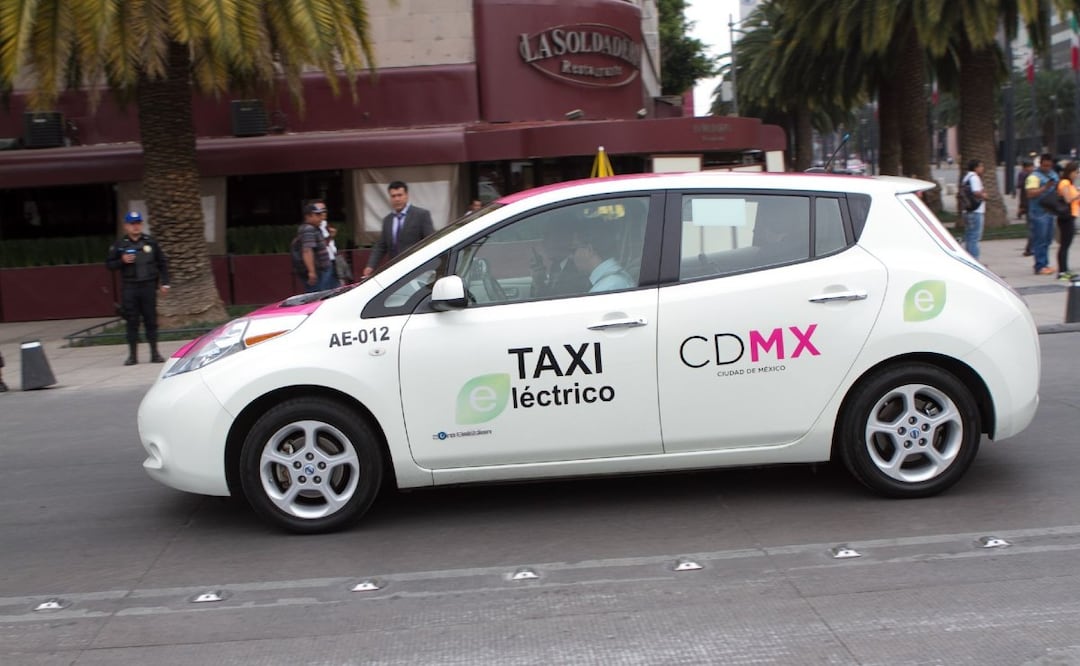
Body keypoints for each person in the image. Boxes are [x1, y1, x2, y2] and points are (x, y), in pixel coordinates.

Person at [105, 211, 170, 365]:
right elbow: (109, 265)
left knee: (151, 320)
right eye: (132, 224)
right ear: (126, 226)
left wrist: (165, 282)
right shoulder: (120, 245)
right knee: (132, 321)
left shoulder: (150, 242)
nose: (136, 226)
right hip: (130, 287)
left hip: (148, 286)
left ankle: (155, 353)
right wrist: (122, 260)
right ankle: (132, 356)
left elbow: (162, 263)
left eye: (138, 223)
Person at [362, 181, 434, 278]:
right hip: (395, 271)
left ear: (406, 195)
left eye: (400, 195)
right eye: (393, 196)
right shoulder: (388, 220)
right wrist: (370, 266)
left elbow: (430, 241)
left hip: (417, 268)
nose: (397, 199)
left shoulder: (421, 215)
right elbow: (381, 246)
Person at [531, 217, 589, 297]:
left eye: (547, 236)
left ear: (564, 238)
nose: (543, 242)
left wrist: (539, 284)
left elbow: (553, 303)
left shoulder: (576, 270)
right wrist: (539, 283)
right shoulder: (557, 265)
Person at [572, 221, 634, 293]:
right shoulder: (614, 278)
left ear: (589, 249)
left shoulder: (605, 288)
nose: (571, 256)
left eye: (573, 250)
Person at [1025, 153, 1060, 276]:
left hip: (1050, 211)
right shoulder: (1034, 177)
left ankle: (1045, 264)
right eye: (1045, 165)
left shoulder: (1053, 174)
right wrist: (1045, 187)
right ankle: (1040, 265)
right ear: (1040, 164)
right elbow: (1030, 193)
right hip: (1038, 212)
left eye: (1049, 166)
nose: (1047, 168)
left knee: (1047, 240)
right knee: (1040, 240)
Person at [297, 201, 335, 292]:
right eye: (317, 215)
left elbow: (322, 246)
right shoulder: (308, 229)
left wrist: (330, 237)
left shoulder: (315, 228)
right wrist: (311, 271)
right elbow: (307, 251)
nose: (321, 218)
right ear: (308, 216)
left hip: (323, 269)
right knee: (319, 296)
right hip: (319, 271)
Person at [1055, 161, 1079, 281]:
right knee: (1064, 244)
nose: (1077, 175)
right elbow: (1068, 199)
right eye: (1075, 172)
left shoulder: (1070, 184)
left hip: (1072, 215)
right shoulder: (1064, 183)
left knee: (1067, 244)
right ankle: (1062, 271)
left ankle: (1065, 269)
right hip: (1066, 217)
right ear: (1069, 172)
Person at [960, 159, 987, 261]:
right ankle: (975, 261)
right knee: (974, 238)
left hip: (968, 210)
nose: (982, 169)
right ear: (975, 168)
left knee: (969, 237)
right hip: (976, 210)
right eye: (981, 166)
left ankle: (970, 259)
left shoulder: (966, 177)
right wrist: (984, 195)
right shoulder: (975, 177)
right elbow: (976, 192)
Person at [1017, 160, 1034, 255]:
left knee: (1031, 227)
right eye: (1031, 167)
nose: (1032, 169)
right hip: (1029, 204)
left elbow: (1020, 188)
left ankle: (1030, 248)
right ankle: (1029, 248)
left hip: (1026, 204)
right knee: (1032, 227)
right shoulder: (1027, 176)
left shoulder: (1022, 175)